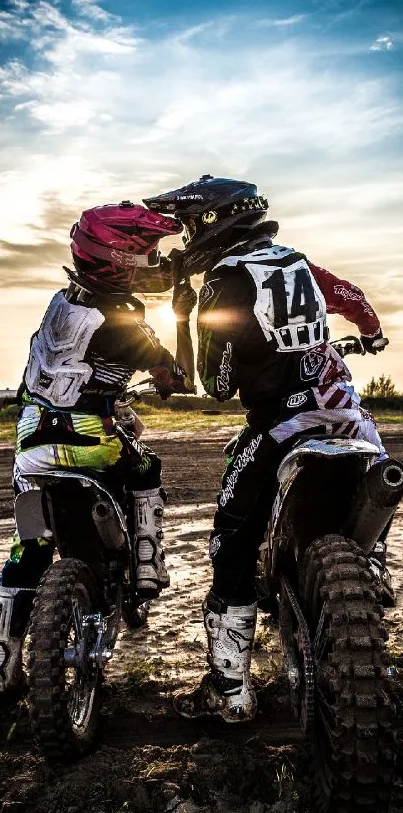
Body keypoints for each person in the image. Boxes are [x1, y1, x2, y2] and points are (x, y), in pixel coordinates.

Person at [144, 175, 395, 723]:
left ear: (213, 222)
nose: (185, 238)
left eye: (188, 225)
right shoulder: (298, 262)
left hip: (281, 427)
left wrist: (187, 319)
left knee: (231, 542)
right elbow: (350, 298)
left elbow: (216, 384)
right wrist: (370, 333)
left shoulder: (225, 281)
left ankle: (231, 689)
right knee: (375, 492)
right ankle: (372, 574)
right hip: (349, 420)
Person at [0, 200, 194, 693]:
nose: (151, 260)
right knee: (146, 467)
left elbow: (145, 280)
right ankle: (148, 563)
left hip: (32, 440)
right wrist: (182, 320)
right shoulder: (125, 323)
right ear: (119, 258)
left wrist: (177, 270)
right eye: (144, 252)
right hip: (89, 439)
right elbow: (177, 379)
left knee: (30, 547)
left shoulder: (63, 303)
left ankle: (5, 659)